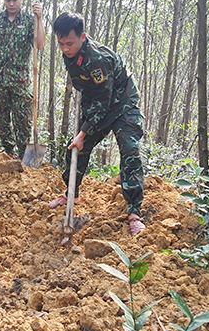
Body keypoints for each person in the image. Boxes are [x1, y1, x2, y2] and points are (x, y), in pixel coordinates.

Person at [50, 12, 146, 236]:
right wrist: (83, 133)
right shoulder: (69, 54)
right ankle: (71, 193)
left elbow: (104, 100)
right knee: (76, 147)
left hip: (123, 103)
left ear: (82, 37)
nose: (65, 48)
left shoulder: (97, 59)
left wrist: (84, 131)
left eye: (70, 43)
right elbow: (89, 92)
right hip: (98, 102)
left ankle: (134, 213)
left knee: (129, 150)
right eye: (61, 43)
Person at [0, 0, 45, 159]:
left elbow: (40, 44)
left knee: (23, 120)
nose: (11, 3)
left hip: (20, 79)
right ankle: (9, 154)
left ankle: (26, 158)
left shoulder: (29, 20)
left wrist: (39, 18)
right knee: (1, 118)